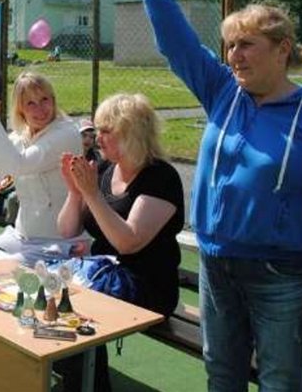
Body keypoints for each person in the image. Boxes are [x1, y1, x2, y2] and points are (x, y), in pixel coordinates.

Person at [126, 0, 302, 391]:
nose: (234, 54)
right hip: (217, 266)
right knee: (222, 374)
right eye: (230, 45)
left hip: (282, 275)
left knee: (279, 382)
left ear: (283, 49)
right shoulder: (223, 92)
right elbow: (178, 43)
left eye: (247, 44)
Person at [55, 93, 185, 391]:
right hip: (102, 275)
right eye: (97, 129)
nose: (97, 138)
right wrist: (75, 192)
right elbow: (67, 230)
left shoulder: (160, 177)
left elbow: (128, 242)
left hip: (147, 286)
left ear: (132, 133)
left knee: (71, 308)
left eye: (106, 130)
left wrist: (91, 195)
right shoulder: (105, 169)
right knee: (50, 293)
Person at [0, 72, 84, 263]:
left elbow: (18, 164)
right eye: (30, 103)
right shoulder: (19, 137)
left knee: (1, 269)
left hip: (61, 242)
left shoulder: (66, 133)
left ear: (53, 100)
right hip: (22, 237)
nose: (40, 108)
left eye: (44, 99)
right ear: (20, 109)